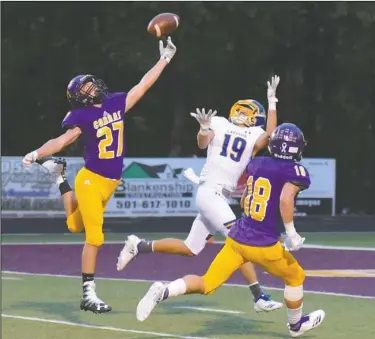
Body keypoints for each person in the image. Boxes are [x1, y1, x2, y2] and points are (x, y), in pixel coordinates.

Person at [22, 37, 177, 314]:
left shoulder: (116, 102)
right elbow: (62, 140)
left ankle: (59, 177)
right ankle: (88, 294)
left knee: (73, 226)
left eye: (91, 83)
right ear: (80, 96)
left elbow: (143, 85)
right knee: (95, 238)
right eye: (87, 86)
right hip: (91, 180)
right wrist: (36, 153)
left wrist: (164, 59)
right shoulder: (80, 116)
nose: (94, 86)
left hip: (109, 183)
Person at [135, 123, 326, 338]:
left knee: (207, 283)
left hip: (237, 239)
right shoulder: (296, 171)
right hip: (263, 244)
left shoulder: (258, 163)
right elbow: (285, 198)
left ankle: (164, 291)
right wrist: (291, 233)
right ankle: (295, 325)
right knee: (296, 276)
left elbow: (245, 200)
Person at [117, 76, 283, 312]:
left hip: (217, 196)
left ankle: (139, 246)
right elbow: (202, 143)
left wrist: (272, 101)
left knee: (191, 247)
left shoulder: (254, 133)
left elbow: (271, 135)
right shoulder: (219, 123)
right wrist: (204, 128)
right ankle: (258, 296)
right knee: (241, 241)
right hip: (210, 192)